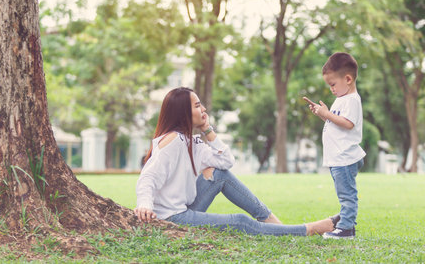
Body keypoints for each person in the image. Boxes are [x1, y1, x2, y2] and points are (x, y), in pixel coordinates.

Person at [135, 87, 336, 237]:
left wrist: (208, 130)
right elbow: (148, 177)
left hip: (185, 210)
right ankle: (306, 230)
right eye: (197, 106)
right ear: (183, 113)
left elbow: (226, 161)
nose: (203, 109)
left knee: (219, 175)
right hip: (170, 217)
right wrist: (144, 205)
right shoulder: (173, 141)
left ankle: (273, 223)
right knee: (238, 221)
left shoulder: (191, 142)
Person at [305, 52, 366, 239]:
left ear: (348, 79)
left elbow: (348, 123)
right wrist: (322, 113)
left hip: (345, 157)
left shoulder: (352, 100)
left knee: (347, 194)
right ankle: (345, 223)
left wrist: (327, 113)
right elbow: (335, 122)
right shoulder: (341, 99)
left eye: (333, 84)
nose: (331, 89)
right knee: (343, 193)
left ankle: (346, 228)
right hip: (338, 157)